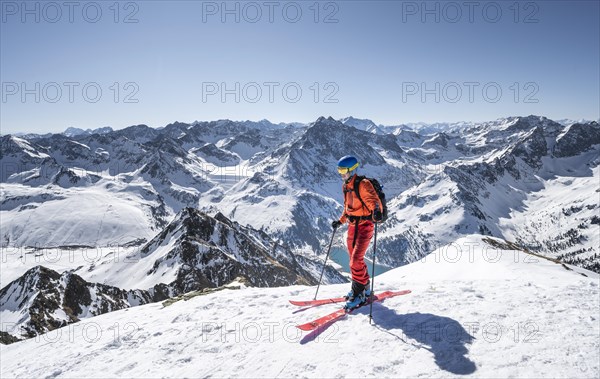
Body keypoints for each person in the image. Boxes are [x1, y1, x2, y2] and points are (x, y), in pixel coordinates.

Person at [332, 155, 383, 309]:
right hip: (352, 226)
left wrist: (376, 211)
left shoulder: (363, 184)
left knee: (356, 259)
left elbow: (374, 201)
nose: (341, 174)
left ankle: (358, 292)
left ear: (352, 170)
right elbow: (348, 208)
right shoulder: (346, 186)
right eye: (339, 170)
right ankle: (365, 287)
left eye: (343, 170)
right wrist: (340, 221)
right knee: (354, 260)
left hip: (365, 225)